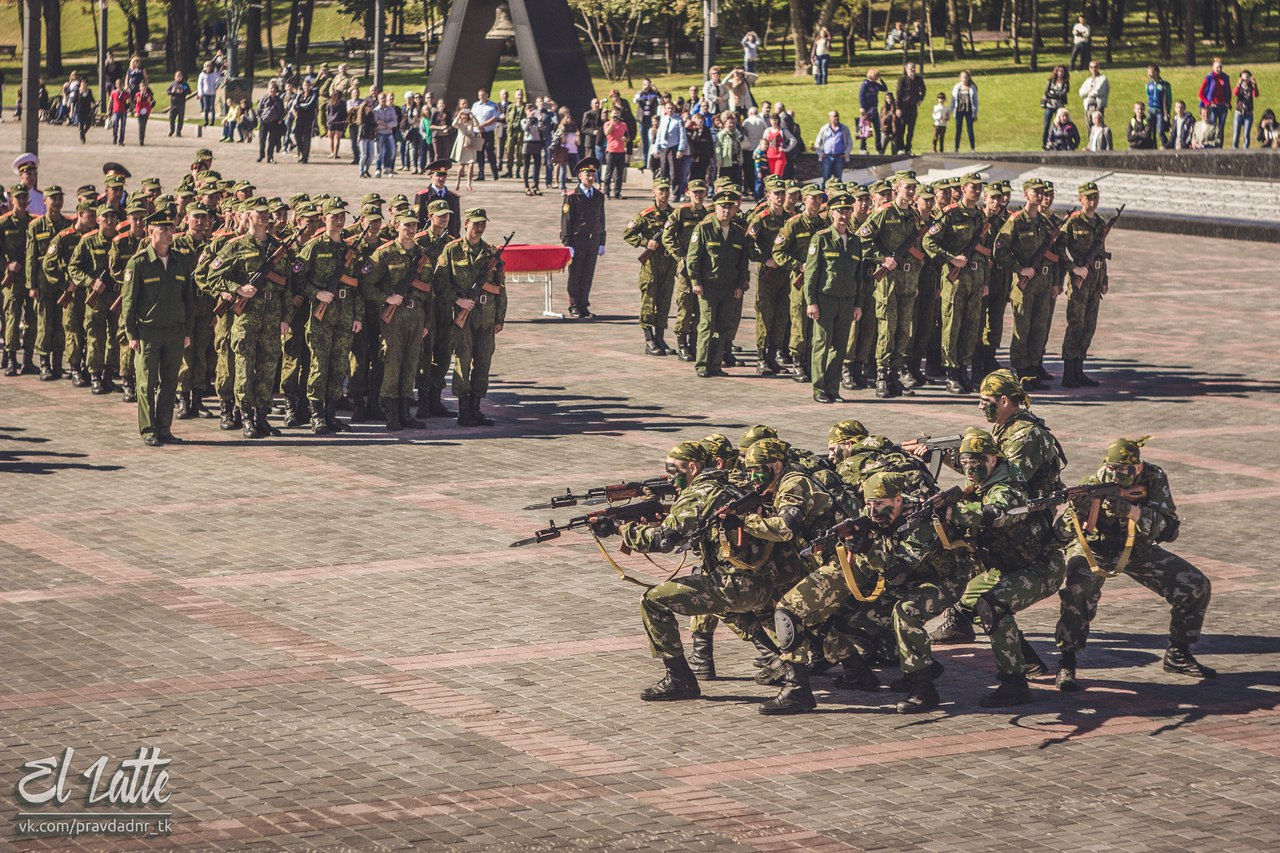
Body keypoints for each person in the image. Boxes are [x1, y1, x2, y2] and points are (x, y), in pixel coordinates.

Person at [1054, 437, 1215, 691]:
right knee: (1077, 592)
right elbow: (1060, 534)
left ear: (1138, 468)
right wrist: (1077, 512)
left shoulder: (1153, 478)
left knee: (1195, 585)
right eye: (1112, 469)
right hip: (1096, 549)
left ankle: (1178, 653)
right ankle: (1067, 662)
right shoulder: (1095, 484)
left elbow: (1169, 530)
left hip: (1137, 549)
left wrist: (1133, 512)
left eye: (1123, 470)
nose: (1116, 475)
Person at [948, 429, 1067, 707]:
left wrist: (954, 512)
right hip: (1007, 565)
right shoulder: (982, 483)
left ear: (993, 459)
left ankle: (1014, 683)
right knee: (966, 602)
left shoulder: (1008, 486)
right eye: (964, 462)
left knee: (994, 604)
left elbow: (997, 515)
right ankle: (1026, 660)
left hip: (1040, 567)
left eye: (975, 461)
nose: (969, 468)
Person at [206, 197, 291, 440]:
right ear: (248, 215)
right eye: (259, 212)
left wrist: (285, 317)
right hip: (246, 317)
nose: (264, 216)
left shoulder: (278, 248)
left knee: (267, 366)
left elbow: (287, 286)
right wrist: (238, 289)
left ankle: (262, 416)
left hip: (272, 316)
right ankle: (246, 417)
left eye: (267, 213)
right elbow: (213, 276)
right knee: (243, 367)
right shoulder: (235, 246)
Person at [121, 210, 195, 446]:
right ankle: (148, 429)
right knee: (146, 383)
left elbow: (188, 299)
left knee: (170, 382)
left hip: (174, 331)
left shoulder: (180, 261)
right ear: (150, 232)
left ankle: (164, 427)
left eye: (170, 228)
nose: (169, 233)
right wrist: (131, 334)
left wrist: (187, 331)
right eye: (163, 229)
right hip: (148, 332)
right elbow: (129, 301)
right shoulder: (139, 262)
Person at [359, 211, 429, 432]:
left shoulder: (422, 255)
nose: (411, 230)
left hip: (415, 316)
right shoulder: (385, 253)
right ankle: (391, 413)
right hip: (393, 317)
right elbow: (366, 285)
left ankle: (406, 412)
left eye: (414, 225)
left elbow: (429, 291)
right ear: (396, 226)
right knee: (392, 363)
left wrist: (426, 323)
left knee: (411, 364)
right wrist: (386, 298)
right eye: (406, 225)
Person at [437, 207, 506, 426]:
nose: (479, 227)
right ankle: (464, 409)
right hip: (463, 316)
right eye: (476, 223)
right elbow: (440, 283)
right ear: (466, 223)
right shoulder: (452, 250)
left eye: (483, 223)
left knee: (483, 361)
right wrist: (457, 301)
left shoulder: (491, 253)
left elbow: (500, 288)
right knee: (463, 361)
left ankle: (476, 407)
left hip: (486, 316)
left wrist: (499, 318)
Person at [857, 171, 924, 398]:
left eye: (914, 188)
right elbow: (862, 239)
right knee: (887, 329)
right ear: (897, 188)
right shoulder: (884, 213)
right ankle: (882, 377)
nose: (911, 191)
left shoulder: (913, 216)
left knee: (904, 330)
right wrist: (882, 258)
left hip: (907, 280)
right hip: (887, 281)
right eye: (908, 187)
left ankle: (895, 375)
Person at [922, 173, 989, 394]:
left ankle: (963, 369)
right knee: (951, 326)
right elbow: (928, 241)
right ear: (963, 188)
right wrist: (951, 258)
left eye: (979, 188)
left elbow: (984, 253)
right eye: (973, 187)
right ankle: (951, 372)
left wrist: (985, 280)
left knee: (971, 327)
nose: (977, 191)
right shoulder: (950, 214)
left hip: (975, 279)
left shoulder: (979, 217)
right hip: (954, 279)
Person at [995, 180, 1060, 389]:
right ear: (1026, 194)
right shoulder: (1015, 221)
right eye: (1036, 192)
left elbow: (1054, 254)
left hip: (1042, 283)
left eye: (1042, 192)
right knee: (1022, 329)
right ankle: (1022, 372)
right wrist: (1019, 269)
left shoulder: (1044, 222)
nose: (1040, 195)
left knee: (1038, 328)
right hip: (1024, 286)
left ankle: (1033, 369)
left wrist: (1055, 282)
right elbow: (999, 251)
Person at [802, 193, 862, 404]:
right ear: (831, 213)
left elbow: (859, 276)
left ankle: (833, 388)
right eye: (840, 211)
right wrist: (811, 301)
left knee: (839, 347)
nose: (844, 215)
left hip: (846, 301)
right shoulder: (822, 238)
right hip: (825, 299)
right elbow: (811, 273)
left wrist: (857, 304)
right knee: (821, 344)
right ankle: (819, 389)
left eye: (847, 210)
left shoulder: (855, 241)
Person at [685, 188, 749, 377]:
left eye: (730, 207)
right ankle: (703, 365)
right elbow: (693, 258)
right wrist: (695, 281)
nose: (726, 211)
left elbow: (742, 263)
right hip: (708, 286)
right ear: (716, 207)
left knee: (722, 326)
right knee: (706, 324)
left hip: (728, 288)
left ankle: (715, 364)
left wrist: (739, 286)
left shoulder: (737, 232)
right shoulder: (704, 229)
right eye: (723, 207)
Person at [1060, 181, 1109, 387]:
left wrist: (1104, 279)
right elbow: (1059, 250)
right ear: (1080, 199)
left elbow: (1101, 252)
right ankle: (1068, 372)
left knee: (1089, 326)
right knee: (1075, 325)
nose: (1092, 201)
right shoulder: (1071, 222)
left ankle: (1079, 368)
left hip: (1095, 281)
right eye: (1088, 197)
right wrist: (1073, 268)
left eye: (1095, 197)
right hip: (1079, 282)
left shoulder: (1099, 223)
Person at [623, 177, 677, 355]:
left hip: (668, 263)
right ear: (653, 192)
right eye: (660, 190)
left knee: (664, 301)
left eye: (666, 190)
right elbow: (628, 234)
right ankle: (649, 339)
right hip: (651, 264)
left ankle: (660, 337)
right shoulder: (645, 215)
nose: (664, 193)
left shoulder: (674, 215)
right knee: (649, 301)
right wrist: (645, 242)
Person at [560, 158, 607, 319]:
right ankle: (574, 304)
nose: (591, 178)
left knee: (587, 274)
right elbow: (566, 222)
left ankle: (583, 304)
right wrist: (567, 243)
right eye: (587, 174)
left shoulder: (599, 196)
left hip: (592, 240)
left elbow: (601, 219)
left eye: (593, 174)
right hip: (577, 240)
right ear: (580, 175)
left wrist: (602, 242)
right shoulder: (572, 196)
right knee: (576, 274)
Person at [654, 103, 688, 195]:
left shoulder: (678, 120)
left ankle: (676, 192)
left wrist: (680, 149)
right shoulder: (663, 119)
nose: (670, 110)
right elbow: (659, 134)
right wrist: (656, 147)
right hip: (663, 148)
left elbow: (682, 136)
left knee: (674, 172)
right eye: (668, 108)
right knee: (663, 171)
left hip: (673, 148)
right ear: (665, 109)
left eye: (671, 108)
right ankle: (662, 191)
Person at [470, 89, 502, 181]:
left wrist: (483, 125)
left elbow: (495, 118)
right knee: (479, 154)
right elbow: (472, 116)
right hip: (478, 132)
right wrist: (476, 125)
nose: (481, 97)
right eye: (479, 95)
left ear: (487, 95)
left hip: (488, 132)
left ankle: (495, 173)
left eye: (483, 95)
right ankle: (481, 174)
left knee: (490, 153)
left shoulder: (493, 105)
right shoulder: (475, 105)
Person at [895, 62, 927, 154]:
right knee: (901, 128)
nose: (912, 70)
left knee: (911, 129)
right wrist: (898, 108)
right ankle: (900, 148)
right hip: (904, 106)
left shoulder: (918, 79)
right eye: (910, 68)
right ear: (906, 69)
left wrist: (920, 99)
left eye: (914, 68)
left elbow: (923, 89)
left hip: (913, 107)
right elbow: (898, 94)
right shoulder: (902, 80)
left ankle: (908, 148)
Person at [1198, 57, 1232, 140]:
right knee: (1212, 126)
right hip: (1212, 106)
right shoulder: (1208, 78)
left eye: (1220, 67)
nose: (1218, 69)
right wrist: (1208, 103)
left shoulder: (1225, 78)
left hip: (1223, 106)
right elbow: (1200, 93)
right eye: (1217, 67)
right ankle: (1212, 145)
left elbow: (1229, 91)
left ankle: (1220, 146)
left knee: (1221, 128)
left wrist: (1228, 102)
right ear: (1213, 68)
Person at [633, 79, 662, 167]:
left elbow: (661, 101)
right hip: (642, 121)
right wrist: (642, 91)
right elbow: (635, 101)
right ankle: (646, 163)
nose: (645, 86)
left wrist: (657, 92)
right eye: (644, 84)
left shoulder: (654, 93)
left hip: (651, 121)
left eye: (647, 84)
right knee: (645, 143)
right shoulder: (640, 93)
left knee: (651, 142)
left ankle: (651, 163)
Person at [257, 81, 287, 164]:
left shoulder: (279, 100)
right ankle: (261, 155)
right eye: (271, 88)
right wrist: (260, 118)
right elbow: (258, 109)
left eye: (274, 88)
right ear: (268, 89)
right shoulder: (264, 98)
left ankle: (270, 157)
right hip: (264, 122)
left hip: (274, 122)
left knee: (272, 140)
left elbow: (283, 111)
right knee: (262, 139)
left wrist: (280, 119)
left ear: (276, 89)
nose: (272, 90)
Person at [859, 70, 888, 153]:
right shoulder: (865, 84)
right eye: (876, 76)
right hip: (867, 109)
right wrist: (862, 107)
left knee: (877, 129)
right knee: (865, 129)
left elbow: (884, 88)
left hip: (874, 109)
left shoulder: (876, 84)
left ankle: (878, 147)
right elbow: (861, 95)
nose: (877, 77)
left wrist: (881, 80)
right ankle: (863, 147)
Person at [1041, 65, 1070, 149]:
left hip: (1059, 107)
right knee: (1046, 125)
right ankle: (1044, 143)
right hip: (1050, 105)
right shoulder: (1051, 81)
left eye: (1062, 71)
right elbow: (1047, 92)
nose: (1060, 73)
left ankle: (1059, 143)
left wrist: (1053, 93)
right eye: (1058, 71)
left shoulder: (1065, 82)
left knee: (1058, 125)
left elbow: (1063, 93)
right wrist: (1055, 93)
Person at [291, 79, 319, 164]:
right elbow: (295, 105)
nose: (306, 87)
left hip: (308, 120)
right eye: (305, 85)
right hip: (299, 119)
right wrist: (300, 106)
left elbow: (309, 105)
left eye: (308, 85)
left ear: (310, 86)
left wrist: (300, 106)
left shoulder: (313, 95)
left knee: (307, 139)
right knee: (297, 136)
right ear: (302, 87)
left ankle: (305, 156)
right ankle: (301, 153)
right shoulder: (300, 95)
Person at [1145, 64, 1173, 148]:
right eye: (1148, 72)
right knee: (1151, 131)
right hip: (1150, 110)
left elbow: (1169, 99)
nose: (1149, 74)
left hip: (1160, 111)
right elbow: (1148, 96)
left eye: (1151, 72)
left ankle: (1166, 145)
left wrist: (1167, 111)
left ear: (1156, 72)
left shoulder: (1164, 85)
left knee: (1160, 131)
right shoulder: (1148, 85)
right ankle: (1153, 147)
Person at [950, 71, 978, 152]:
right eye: (963, 77)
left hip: (968, 111)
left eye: (966, 77)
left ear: (968, 78)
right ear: (960, 78)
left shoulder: (972, 87)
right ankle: (956, 147)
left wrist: (975, 113)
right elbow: (953, 100)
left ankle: (972, 148)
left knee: (970, 129)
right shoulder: (957, 87)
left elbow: (976, 101)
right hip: (959, 110)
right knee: (958, 129)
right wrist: (949, 111)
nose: (964, 79)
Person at [1078, 60, 1109, 130]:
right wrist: (1090, 90)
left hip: (1097, 106)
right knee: (1089, 128)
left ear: (1098, 67)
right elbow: (1081, 93)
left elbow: (1097, 91)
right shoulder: (1088, 80)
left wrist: (1088, 91)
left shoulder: (1103, 78)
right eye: (1091, 67)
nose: (1093, 69)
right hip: (1088, 107)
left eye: (1095, 67)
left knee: (1099, 127)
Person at [1232, 70, 1259, 149]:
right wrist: (1238, 84)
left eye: (1247, 78)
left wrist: (1254, 85)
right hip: (1239, 114)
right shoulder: (1239, 87)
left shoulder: (1251, 87)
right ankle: (1234, 150)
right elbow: (1234, 93)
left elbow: (1256, 95)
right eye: (1243, 79)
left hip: (1248, 114)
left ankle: (1245, 151)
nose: (1245, 81)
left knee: (1246, 134)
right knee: (1236, 134)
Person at [166, 71, 191, 137]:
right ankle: (172, 130)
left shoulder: (184, 84)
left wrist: (183, 91)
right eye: (177, 76)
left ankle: (178, 131)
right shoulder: (172, 84)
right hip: (173, 104)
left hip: (181, 104)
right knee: (172, 118)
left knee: (180, 119)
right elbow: (167, 91)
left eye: (180, 76)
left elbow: (189, 91)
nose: (179, 77)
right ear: (175, 77)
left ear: (182, 77)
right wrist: (172, 91)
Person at [197, 61, 221, 126]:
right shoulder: (202, 75)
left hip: (212, 93)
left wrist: (216, 85)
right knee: (206, 108)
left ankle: (212, 122)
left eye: (210, 66)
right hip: (205, 93)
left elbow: (219, 79)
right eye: (207, 66)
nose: (208, 67)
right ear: (204, 67)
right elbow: (199, 84)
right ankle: (206, 121)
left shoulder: (213, 74)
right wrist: (200, 93)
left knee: (212, 107)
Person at [108, 80, 131, 146]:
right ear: (116, 85)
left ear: (122, 84)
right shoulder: (113, 92)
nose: (119, 85)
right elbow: (110, 101)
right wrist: (108, 109)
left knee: (123, 127)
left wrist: (129, 107)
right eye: (118, 84)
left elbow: (129, 101)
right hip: (115, 111)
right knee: (115, 125)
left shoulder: (125, 93)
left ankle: (121, 140)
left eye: (120, 84)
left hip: (123, 111)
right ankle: (115, 137)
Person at [326, 90, 348, 159]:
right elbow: (345, 112)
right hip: (340, 122)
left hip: (331, 122)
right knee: (337, 139)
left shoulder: (330, 103)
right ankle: (335, 154)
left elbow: (328, 112)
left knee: (330, 138)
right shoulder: (343, 103)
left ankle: (332, 152)